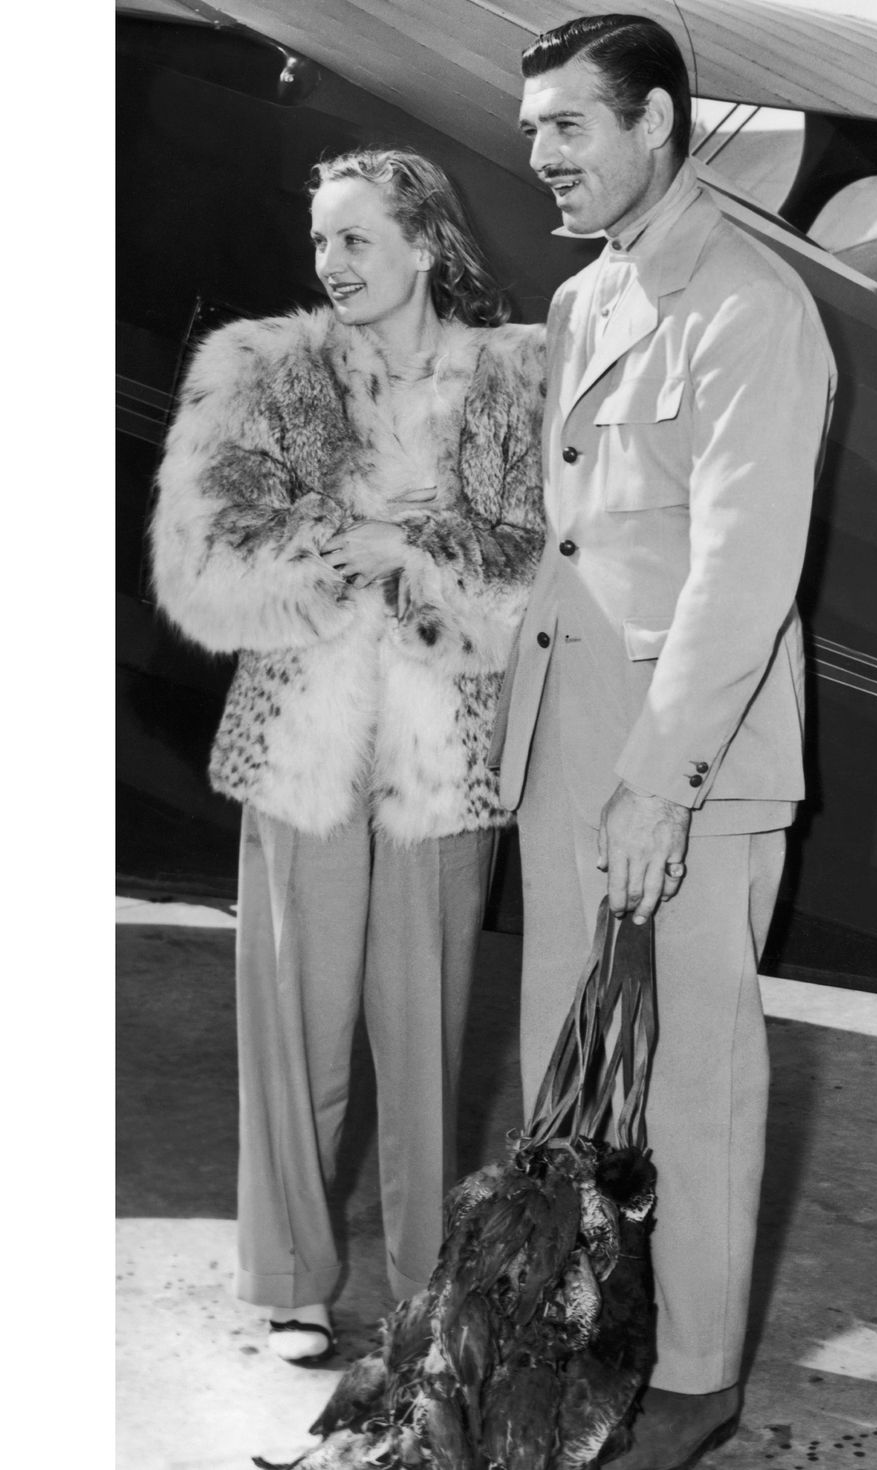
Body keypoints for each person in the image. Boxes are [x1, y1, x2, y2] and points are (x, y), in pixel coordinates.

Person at [491, 15, 836, 1467]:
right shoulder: (585, 300)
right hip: (567, 737)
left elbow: (741, 574)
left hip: (680, 762)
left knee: (690, 1076)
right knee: (560, 1066)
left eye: (567, 125)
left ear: (657, 122)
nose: (541, 156)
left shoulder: (751, 308)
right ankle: (577, 1334)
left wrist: (660, 782)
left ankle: (696, 1374)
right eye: (532, 130)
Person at [151, 147, 545, 1363]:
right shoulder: (263, 371)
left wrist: (415, 558)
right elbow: (200, 558)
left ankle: (430, 1283)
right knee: (296, 1030)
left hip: (445, 748)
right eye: (320, 240)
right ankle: (288, 1279)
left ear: (424, 243)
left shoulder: (516, 377)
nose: (329, 263)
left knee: (425, 1036)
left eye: (356, 238)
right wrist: (346, 546)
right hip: (301, 744)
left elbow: (534, 559)